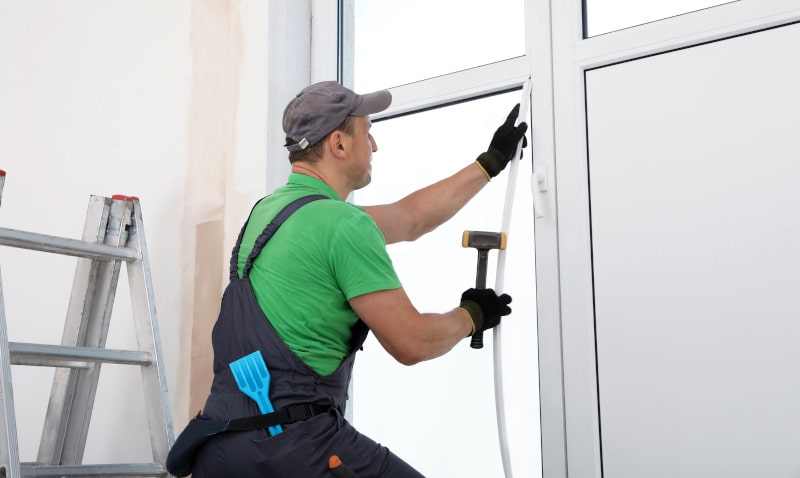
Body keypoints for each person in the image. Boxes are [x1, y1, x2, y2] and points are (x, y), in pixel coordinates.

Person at [191, 81, 528, 477]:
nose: (375, 145)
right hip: (294, 448)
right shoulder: (343, 226)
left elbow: (410, 218)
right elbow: (412, 342)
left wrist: (487, 164)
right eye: (367, 133)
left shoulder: (269, 213)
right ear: (339, 144)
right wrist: (471, 315)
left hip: (221, 450)